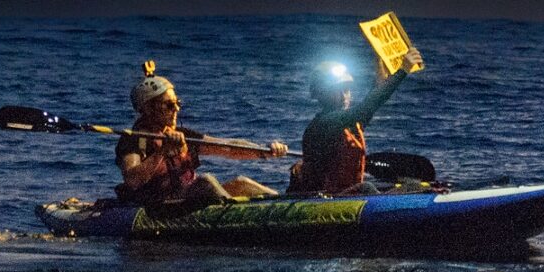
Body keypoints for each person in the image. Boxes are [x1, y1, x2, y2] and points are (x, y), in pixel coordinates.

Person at [114, 61, 283, 208]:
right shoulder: (133, 139)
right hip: (161, 205)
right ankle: (232, 213)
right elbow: (132, 180)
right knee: (206, 182)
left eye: (177, 103)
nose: (176, 109)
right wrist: (163, 151)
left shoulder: (182, 135)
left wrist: (265, 151)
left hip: (187, 197)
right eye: (169, 105)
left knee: (242, 183)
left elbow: (227, 147)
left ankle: (283, 203)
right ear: (148, 109)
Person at [286, 51, 423, 197]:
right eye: (337, 91)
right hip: (324, 197)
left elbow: (372, 102)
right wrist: (403, 70)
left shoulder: (350, 123)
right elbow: (368, 106)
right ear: (322, 94)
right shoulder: (324, 123)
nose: (344, 95)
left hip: (346, 194)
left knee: (413, 186)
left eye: (346, 90)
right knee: (366, 188)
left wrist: (379, 71)